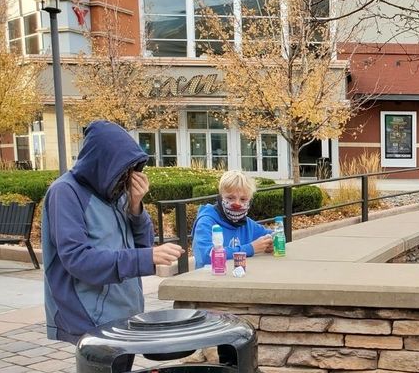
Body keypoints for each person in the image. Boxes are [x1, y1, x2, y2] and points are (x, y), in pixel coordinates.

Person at [42, 121, 184, 343]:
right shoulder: (65, 192)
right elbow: (77, 259)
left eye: (132, 170)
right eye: (123, 169)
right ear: (103, 162)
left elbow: (142, 246)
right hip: (88, 317)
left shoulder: (117, 191)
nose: (128, 176)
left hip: (123, 309)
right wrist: (146, 257)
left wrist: (136, 207)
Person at [192, 170, 272, 267]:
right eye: (230, 198)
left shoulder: (246, 223)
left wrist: (273, 243)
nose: (237, 204)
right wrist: (250, 249)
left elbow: (275, 235)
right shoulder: (206, 222)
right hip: (211, 279)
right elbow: (206, 256)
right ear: (221, 197)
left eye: (243, 199)